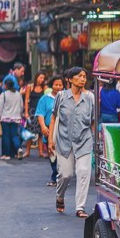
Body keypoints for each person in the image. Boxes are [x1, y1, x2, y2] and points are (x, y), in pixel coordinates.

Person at [49, 66, 95, 217]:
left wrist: (96, 141)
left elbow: (93, 121)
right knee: (66, 174)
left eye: (84, 76)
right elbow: (54, 117)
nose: (83, 79)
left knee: (83, 172)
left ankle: (80, 207)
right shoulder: (61, 96)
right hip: (64, 141)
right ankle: (60, 196)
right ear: (69, 79)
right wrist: (51, 139)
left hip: (84, 140)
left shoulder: (90, 99)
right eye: (79, 76)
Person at [35, 75, 65, 186]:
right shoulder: (44, 99)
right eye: (56, 85)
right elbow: (40, 113)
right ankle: (55, 176)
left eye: (60, 85)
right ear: (51, 85)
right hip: (49, 129)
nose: (58, 87)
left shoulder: (66, 97)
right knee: (52, 153)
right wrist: (43, 127)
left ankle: (62, 176)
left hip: (63, 129)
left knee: (63, 153)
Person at [0, 78, 23, 160]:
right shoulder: (18, 94)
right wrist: (20, 116)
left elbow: (0, 108)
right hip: (16, 118)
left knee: (6, 136)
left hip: (5, 118)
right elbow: (21, 106)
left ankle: (6, 154)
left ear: (6, 85)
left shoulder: (4, 94)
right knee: (14, 136)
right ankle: (18, 148)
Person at [22, 72, 48, 158]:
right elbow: (26, 100)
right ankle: (27, 151)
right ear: (36, 77)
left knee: (40, 132)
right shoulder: (30, 86)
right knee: (29, 132)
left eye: (43, 78)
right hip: (32, 111)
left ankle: (40, 152)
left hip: (41, 112)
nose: (42, 80)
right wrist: (26, 112)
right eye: (40, 77)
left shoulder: (45, 88)